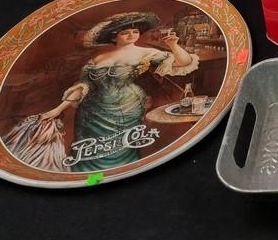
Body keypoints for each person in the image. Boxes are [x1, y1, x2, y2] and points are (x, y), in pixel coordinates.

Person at [38, 11, 199, 172]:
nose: (131, 35)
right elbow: (83, 86)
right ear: (114, 37)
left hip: (126, 109)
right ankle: (93, 180)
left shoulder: (147, 53)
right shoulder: (98, 58)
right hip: (90, 115)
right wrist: (58, 109)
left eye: (135, 31)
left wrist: (173, 45)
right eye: (125, 33)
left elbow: (184, 62)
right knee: (88, 154)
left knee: (123, 151)